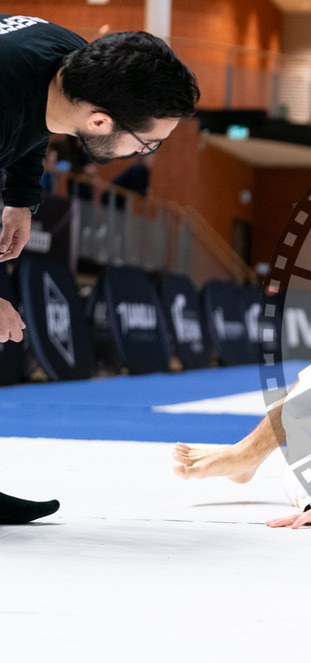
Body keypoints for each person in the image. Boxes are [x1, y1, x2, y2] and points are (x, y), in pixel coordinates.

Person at [0, 15, 200, 524]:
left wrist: (21, 199)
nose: (145, 152)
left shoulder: (68, 60)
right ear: (98, 122)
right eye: (148, 142)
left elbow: (34, 121)